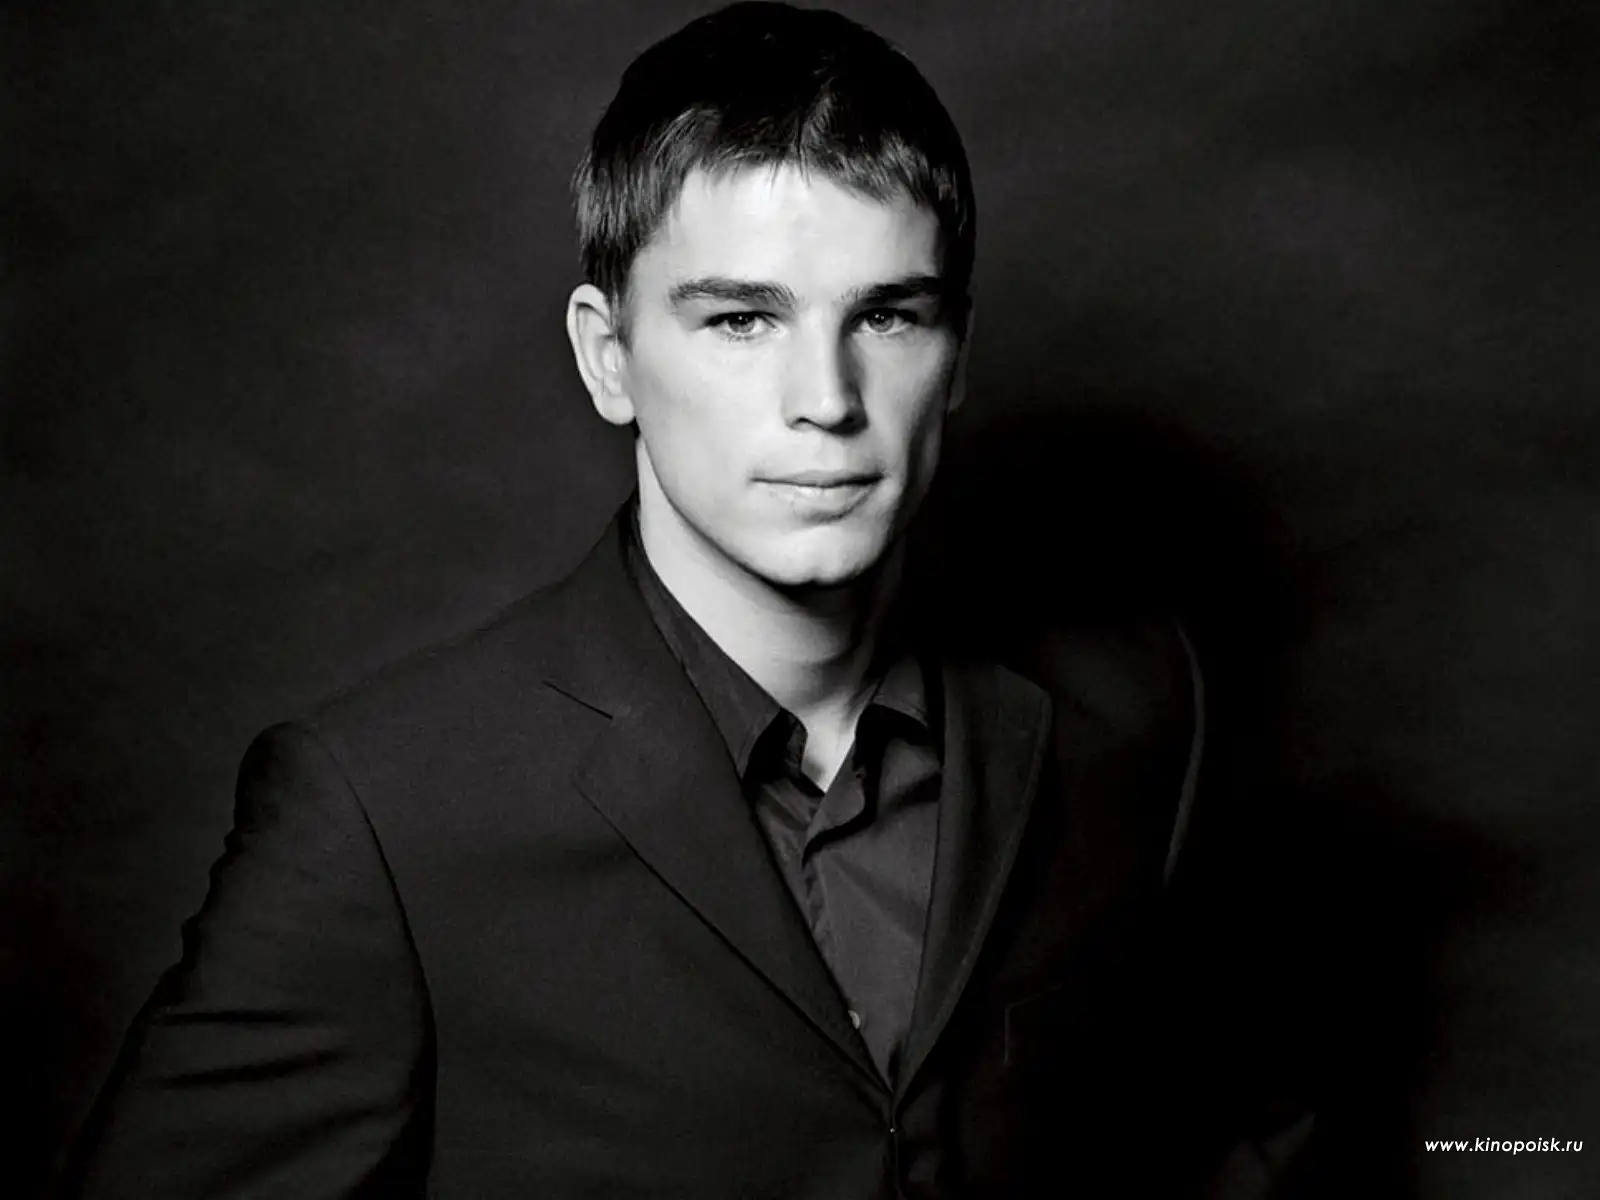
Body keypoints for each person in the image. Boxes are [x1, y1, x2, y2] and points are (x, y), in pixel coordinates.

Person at [63, 4, 1276, 1195]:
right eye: (742, 320)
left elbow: (1229, 1138)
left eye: (886, 316)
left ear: (954, 350)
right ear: (609, 357)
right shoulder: (384, 816)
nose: (826, 399)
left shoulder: (1129, 709)